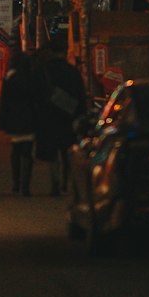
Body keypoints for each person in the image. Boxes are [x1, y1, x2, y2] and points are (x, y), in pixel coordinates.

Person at [32, 39, 87, 195]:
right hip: (69, 117)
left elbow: (35, 95)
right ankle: (67, 183)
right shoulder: (73, 72)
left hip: (47, 118)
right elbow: (80, 96)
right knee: (68, 152)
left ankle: (55, 182)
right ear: (63, 53)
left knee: (51, 153)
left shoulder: (41, 71)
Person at [0, 44, 36, 195]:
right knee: (27, 152)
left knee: (16, 151)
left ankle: (16, 183)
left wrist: (3, 121)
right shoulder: (32, 78)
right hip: (30, 119)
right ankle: (25, 185)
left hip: (14, 119)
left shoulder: (10, 79)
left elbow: (4, 102)